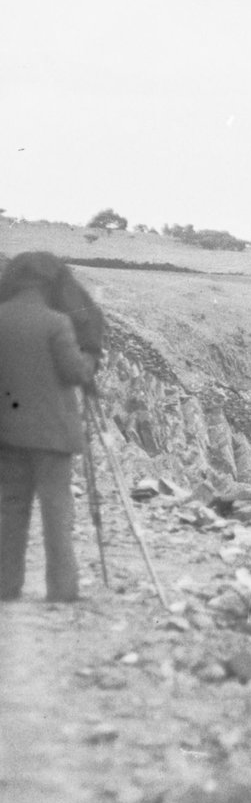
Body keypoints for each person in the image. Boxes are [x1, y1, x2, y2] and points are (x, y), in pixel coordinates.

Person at [0, 253, 102, 603]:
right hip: (52, 435)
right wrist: (89, 360)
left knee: (10, 511)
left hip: (7, 434)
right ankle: (61, 591)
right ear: (47, 285)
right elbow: (75, 373)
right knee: (56, 512)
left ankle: (5, 587)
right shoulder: (56, 322)